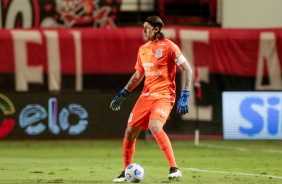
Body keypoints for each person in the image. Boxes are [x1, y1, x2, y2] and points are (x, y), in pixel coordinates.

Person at [110, 15, 192, 182]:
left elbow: (188, 70)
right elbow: (138, 75)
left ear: (156, 29)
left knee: (155, 126)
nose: (144, 31)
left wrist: (185, 94)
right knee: (130, 130)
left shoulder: (169, 46)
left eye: (147, 28)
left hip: (164, 95)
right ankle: (126, 171)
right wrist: (124, 92)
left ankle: (174, 168)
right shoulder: (143, 49)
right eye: (143, 27)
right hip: (146, 96)